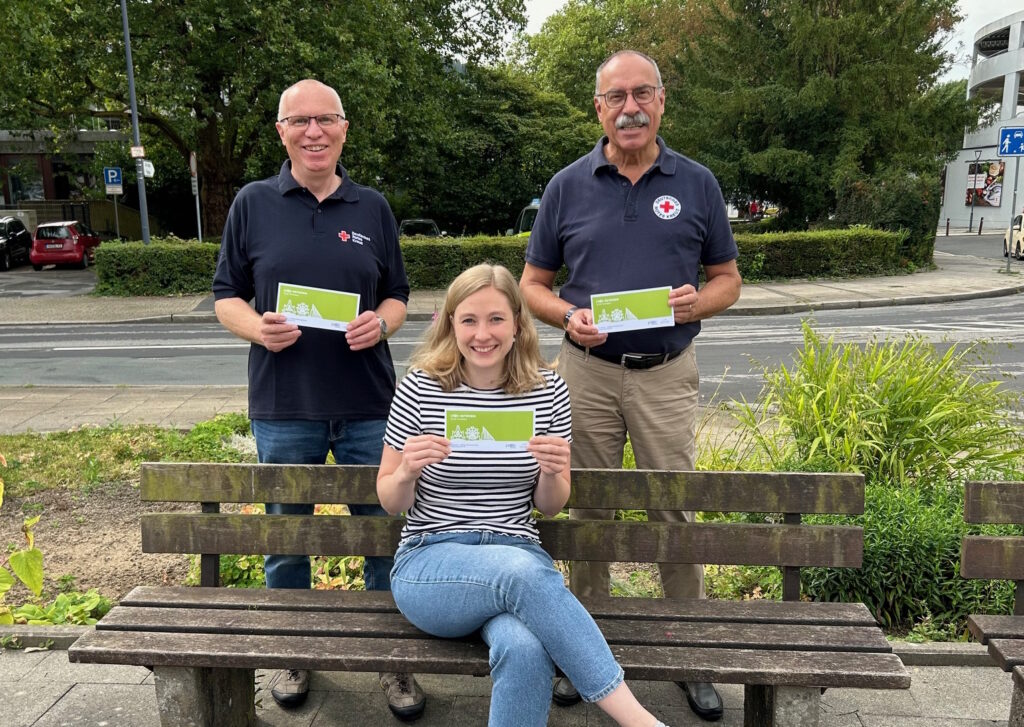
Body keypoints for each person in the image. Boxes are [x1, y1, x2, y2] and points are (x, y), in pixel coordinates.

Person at [519, 50, 742, 723]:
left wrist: (694, 305)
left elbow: (728, 279)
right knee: (587, 512)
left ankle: (688, 657)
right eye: (615, 97)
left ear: (662, 101)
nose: (630, 107)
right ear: (599, 109)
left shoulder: (697, 184)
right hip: (584, 374)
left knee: (673, 511)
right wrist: (568, 316)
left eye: (642, 93)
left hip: (666, 373)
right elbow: (533, 285)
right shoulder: (566, 186)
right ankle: (586, 655)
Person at [212, 79, 426, 720]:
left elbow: (398, 295)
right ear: (281, 131)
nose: (313, 132)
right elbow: (225, 297)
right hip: (285, 402)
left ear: (343, 128)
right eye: (299, 121)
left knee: (384, 532)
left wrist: (382, 324)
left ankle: (394, 660)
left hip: (369, 402)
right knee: (287, 535)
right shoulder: (252, 203)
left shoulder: (372, 207)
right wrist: (259, 328)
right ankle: (294, 649)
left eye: (325, 119)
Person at [377, 264, 672, 727]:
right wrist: (408, 471)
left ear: (517, 324)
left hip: (516, 552)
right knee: (520, 572)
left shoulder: (548, 390)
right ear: (450, 324)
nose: (482, 334)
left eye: (496, 319)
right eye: (469, 320)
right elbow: (390, 501)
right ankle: (639, 720)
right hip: (430, 562)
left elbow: (551, 505)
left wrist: (554, 471)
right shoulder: (421, 386)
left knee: (526, 647)